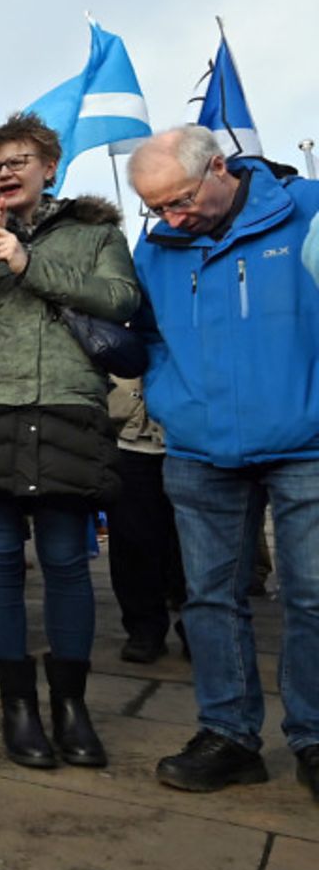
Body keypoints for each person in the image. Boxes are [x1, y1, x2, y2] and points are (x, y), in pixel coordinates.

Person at [0, 111, 138, 772]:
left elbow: (120, 300)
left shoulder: (95, 231)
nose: (5, 171)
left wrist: (28, 261)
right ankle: (17, 707)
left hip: (64, 404)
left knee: (66, 562)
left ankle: (70, 706)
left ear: (50, 166)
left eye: (19, 160)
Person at [128, 125, 319, 799]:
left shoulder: (310, 212)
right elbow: (143, 334)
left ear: (219, 167)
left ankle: (315, 735)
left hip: (307, 441)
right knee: (209, 598)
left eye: (178, 201)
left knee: (313, 596)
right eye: (155, 208)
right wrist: (168, 394)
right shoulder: (154, 247)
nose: (169, 218)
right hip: (199, 446)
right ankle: (230, 734)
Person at [102, 376, 186, 664]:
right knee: (131, 542)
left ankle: (199, 628)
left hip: (189, 436)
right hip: (126, 434)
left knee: (193, 544)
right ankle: (143, 629)